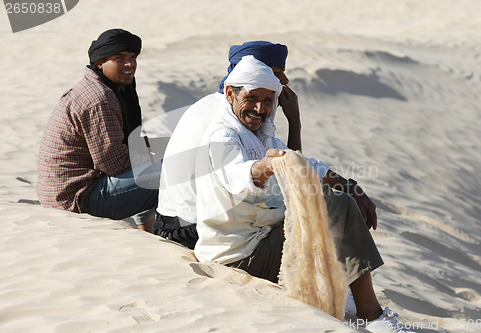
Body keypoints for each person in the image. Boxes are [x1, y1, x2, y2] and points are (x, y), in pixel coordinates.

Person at [193, 55, 414, 333]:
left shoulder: (261, 135)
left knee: (335, 197)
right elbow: (238, 175)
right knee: (336, 206)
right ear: (230, 94)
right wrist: (268, 164)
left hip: (260, 242)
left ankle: (343, 293)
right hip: (239, 256)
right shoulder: (222, 135)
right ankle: (372, 316)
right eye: (252, 98)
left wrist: (352, 186)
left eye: (268, 100)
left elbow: (308, 166)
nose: (260, 108)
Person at [153, 41, 303, 247]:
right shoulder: (230, 115)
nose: (285, 80)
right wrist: (295, 121)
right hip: (190, 229)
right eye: (276, 72)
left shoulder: (233, 104)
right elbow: (278, 181)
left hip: (179, 222)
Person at [37, 29, 160, 232]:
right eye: (119, 58)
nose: (130, 64)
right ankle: (172, 237)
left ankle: (148, 230)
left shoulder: (107, 88)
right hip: (75, 201)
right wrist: (156, 153)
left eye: (132, 57)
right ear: (100, 63)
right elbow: (113, 163)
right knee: (172, 170)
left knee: (155, 164)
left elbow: (124, 148)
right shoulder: (99, 98)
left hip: (70, 194)